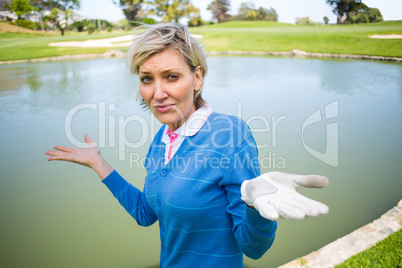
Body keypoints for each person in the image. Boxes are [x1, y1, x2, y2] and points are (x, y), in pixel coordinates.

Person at [45, 23, 329, 268]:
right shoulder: (161, 140)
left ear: (197, 77)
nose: (157, 94)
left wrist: (253, 203)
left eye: (171, 76)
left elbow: (253, 249)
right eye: (147, 79)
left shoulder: (229, 134)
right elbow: (147, 214)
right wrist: (99, 163)